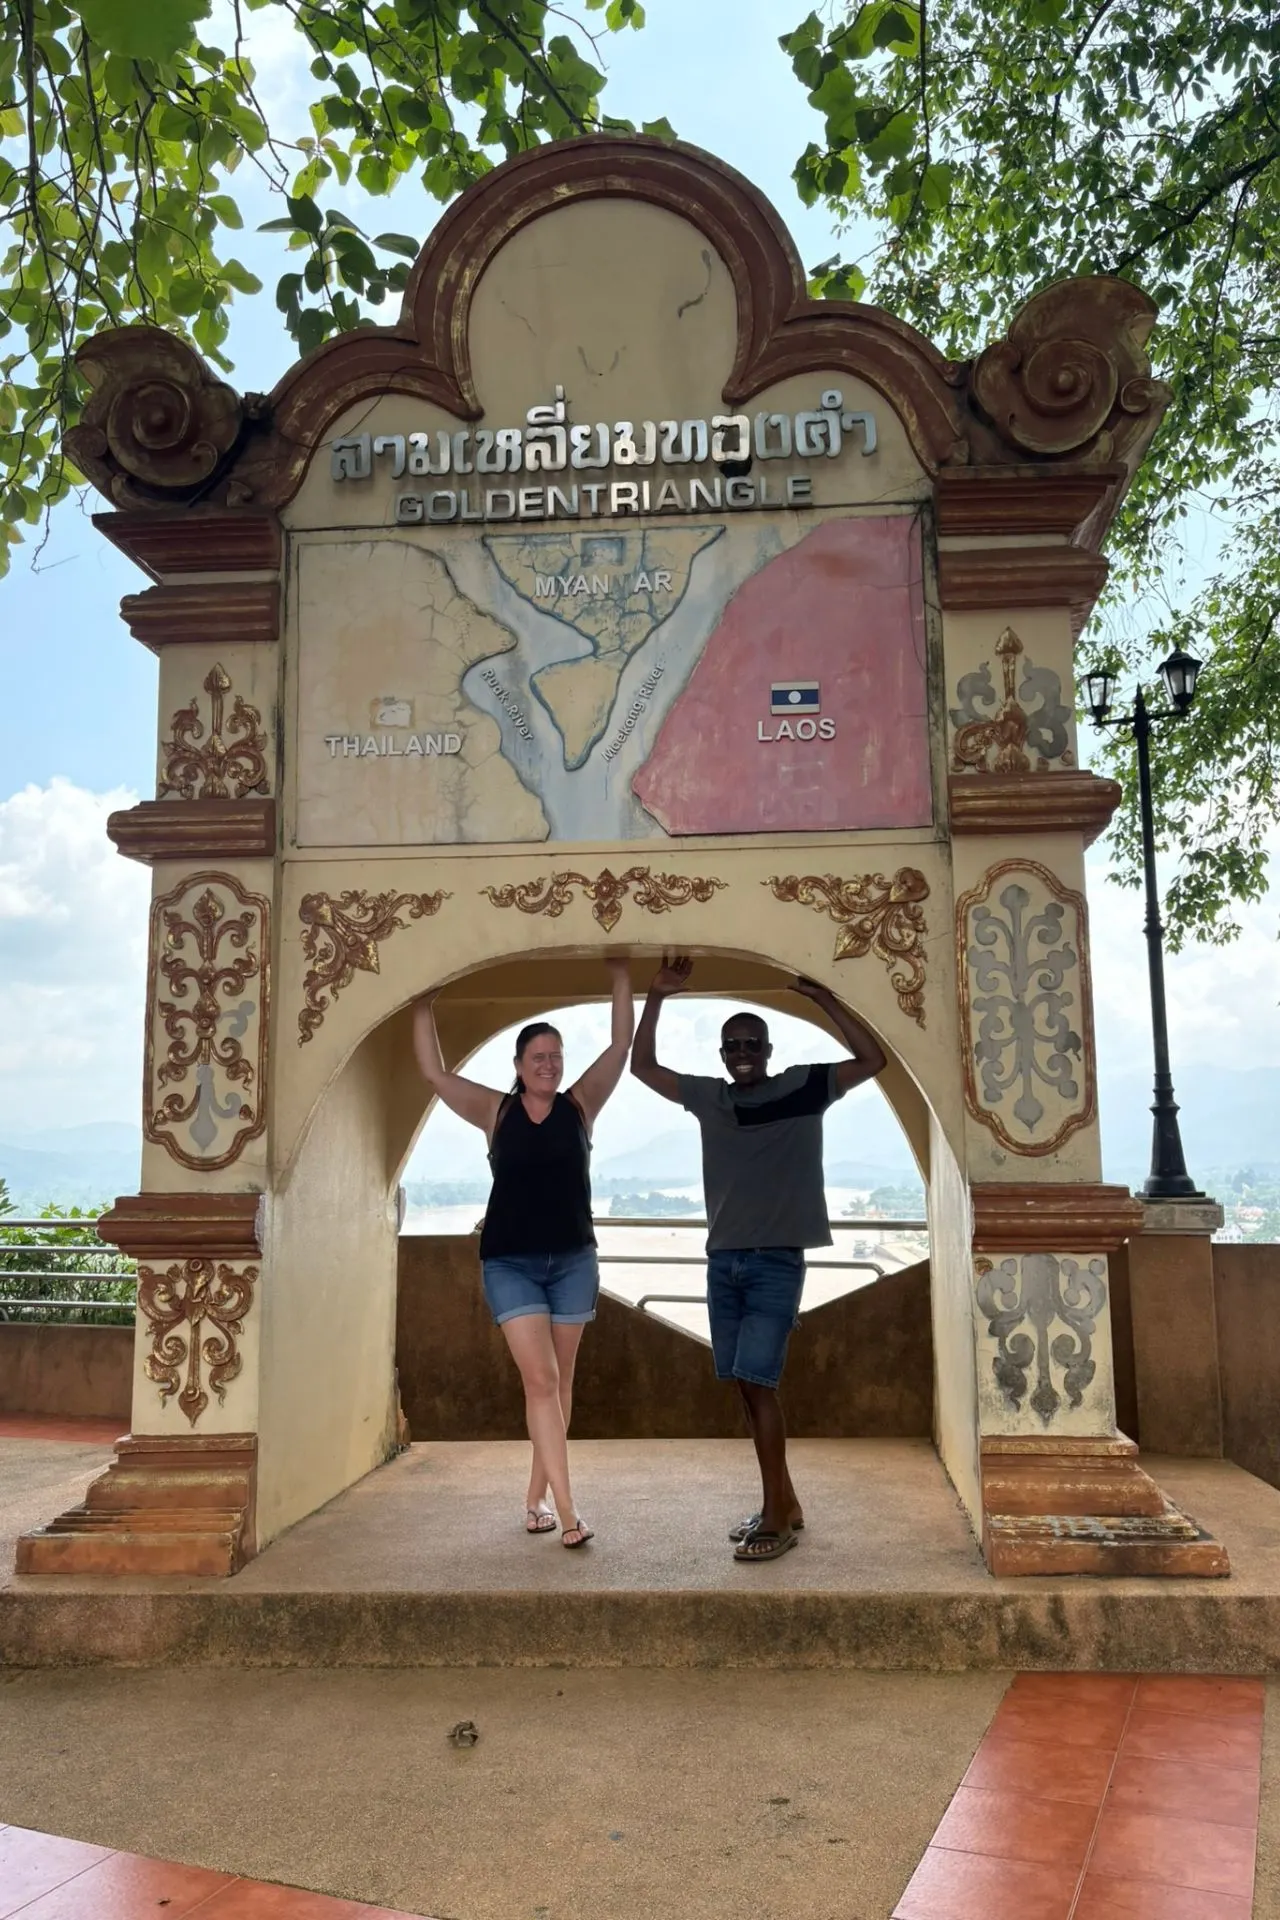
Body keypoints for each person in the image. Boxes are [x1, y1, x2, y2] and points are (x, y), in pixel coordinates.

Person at [630, 956, 887, 1562]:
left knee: (759, 1384)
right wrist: (658, 995)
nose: (742, 1051)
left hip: (776, 1260)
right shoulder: (709, 1098)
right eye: (732, 1045)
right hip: (722, 1261)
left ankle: (777, 1515)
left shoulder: (802, 1086)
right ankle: (785, 1503)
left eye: (751, 1043)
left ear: (767, 1049)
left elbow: (873, 1060)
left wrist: (825, 999)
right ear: (723, 1054)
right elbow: (642, 1067)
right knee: (745, 1390)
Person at [412, 961, 634, 1547]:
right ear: (517, 1066)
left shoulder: (580, 1106)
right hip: (509, 1263)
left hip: (572, 1263)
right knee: (540, 1381)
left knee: (559, 1389)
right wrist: (420, 998)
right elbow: (435, 1072)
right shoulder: (497, 1111)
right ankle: (568, 1512)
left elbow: (620, 1045)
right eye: (537, 1055)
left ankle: (534, 1499)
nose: (549, 1063)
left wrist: (619, 971)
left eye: (556, 1055)